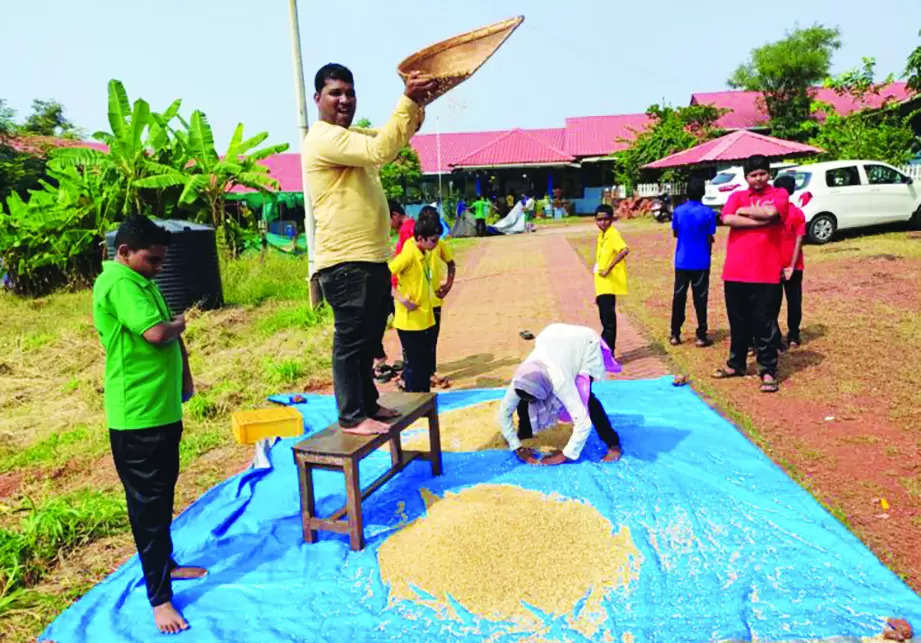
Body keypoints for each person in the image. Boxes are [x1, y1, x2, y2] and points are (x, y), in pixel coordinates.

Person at [303, 62, 433, 434]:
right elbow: (381, 149)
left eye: (350, 92)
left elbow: (395, 136)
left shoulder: (352, 136)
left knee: (369, 338)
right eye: (335, 93)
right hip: (345, 263)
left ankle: (368, 404)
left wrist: (419, 103)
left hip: (372, 258)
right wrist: (407, 99)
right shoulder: (325, 138)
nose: (344, 100)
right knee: (350, 341)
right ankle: (351, 416)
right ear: (318, 99)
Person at [91, 215, 206, 635]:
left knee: (161, 498)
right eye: (152, 259)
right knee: (148, 507)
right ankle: (159, 599)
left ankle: (166, 564)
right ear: (123, 252)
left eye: (161, 261)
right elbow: (158, 334)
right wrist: (178, 325)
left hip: (160, 410)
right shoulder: (121, 283)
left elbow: (173, 343)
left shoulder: (143, 282)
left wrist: (185, 379)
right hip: (137, 417)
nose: (159, 267)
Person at [713, 154, 789, 393]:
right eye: (753, 175)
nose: (758, 179)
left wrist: (746, 213)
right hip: (735, 271)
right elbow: (727, 218)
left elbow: (771, 214)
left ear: (769, 174)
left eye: (762, 174)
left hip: (766, 272)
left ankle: (767, 370)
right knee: (738, 322)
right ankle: (736, 364)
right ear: (746, 177)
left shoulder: (779, 195)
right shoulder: (736, 195)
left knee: (764, 323)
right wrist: (758, 218)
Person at [497, 323, 623, 466]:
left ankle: (613, 443)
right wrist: (517, 446)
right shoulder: (521, 379)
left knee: (586, 399)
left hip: (583, 344)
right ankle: (525, 433)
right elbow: (504, 412)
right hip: (551, 335)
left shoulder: (561, 382)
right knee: (524, 399)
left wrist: (565, 455)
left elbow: (583, 422)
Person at [388, 214, 441, 392]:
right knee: (414, 365)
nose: (435, 245)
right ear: (420, 238)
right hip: (410, 322)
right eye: (433, 241)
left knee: (424, 364)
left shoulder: (423, 252)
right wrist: (401, 299)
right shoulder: (409, 254)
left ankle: (424, 398)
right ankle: (414, 398)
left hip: (424, 318)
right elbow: (386, 274)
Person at [669, 177, 716, 347]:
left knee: (679, 296)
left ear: (686, 192)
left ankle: (675, 333)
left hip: (682, 260)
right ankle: (701, 335)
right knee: (700, 298)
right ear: (703, 193)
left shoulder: (678, 211)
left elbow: (675, 232)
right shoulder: (708, 213)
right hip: (701, 260)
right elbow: (710, 236)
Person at [373, 200, 413, 381]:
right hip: (394, 285)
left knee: (399, 325)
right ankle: (403, 360)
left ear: (395, 215)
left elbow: (405, 261)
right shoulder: (406, 229)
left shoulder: (407, 230)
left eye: (387, 220)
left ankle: (408, 363)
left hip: (397, 287)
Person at [773, 174, 806, 348]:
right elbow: (799, 240)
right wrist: (792, 265)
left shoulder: (772, 212)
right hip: (794, 264)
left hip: (774, 264)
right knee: (794, 300)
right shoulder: (798, 213)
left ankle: (776, 336)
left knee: (773, 303)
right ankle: (793, 335)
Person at [593, 204, 629, 355]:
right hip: (601, 285)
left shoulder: (613, 234)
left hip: (608, 284)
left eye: (606, 219)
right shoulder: (601, 236)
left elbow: (624, 250)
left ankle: (608, 352)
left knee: (608, 321)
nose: (602, 222)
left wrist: (609, 268)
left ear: (611, 220)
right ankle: (605, 351)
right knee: (604, 318)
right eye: (599, 219)